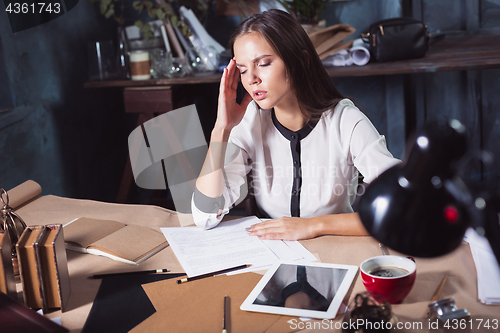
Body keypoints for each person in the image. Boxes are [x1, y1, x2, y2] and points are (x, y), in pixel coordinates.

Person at [191, 9, 400, 240]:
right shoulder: (250, 121)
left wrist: (314, 226)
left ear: (300, 60)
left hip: (335, 252)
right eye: (242, 70)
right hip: (272, 255)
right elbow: (205, 216)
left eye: (263, 63)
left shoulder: (345, 121)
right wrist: (221, 129)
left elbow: (400, 209)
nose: (251, 79)